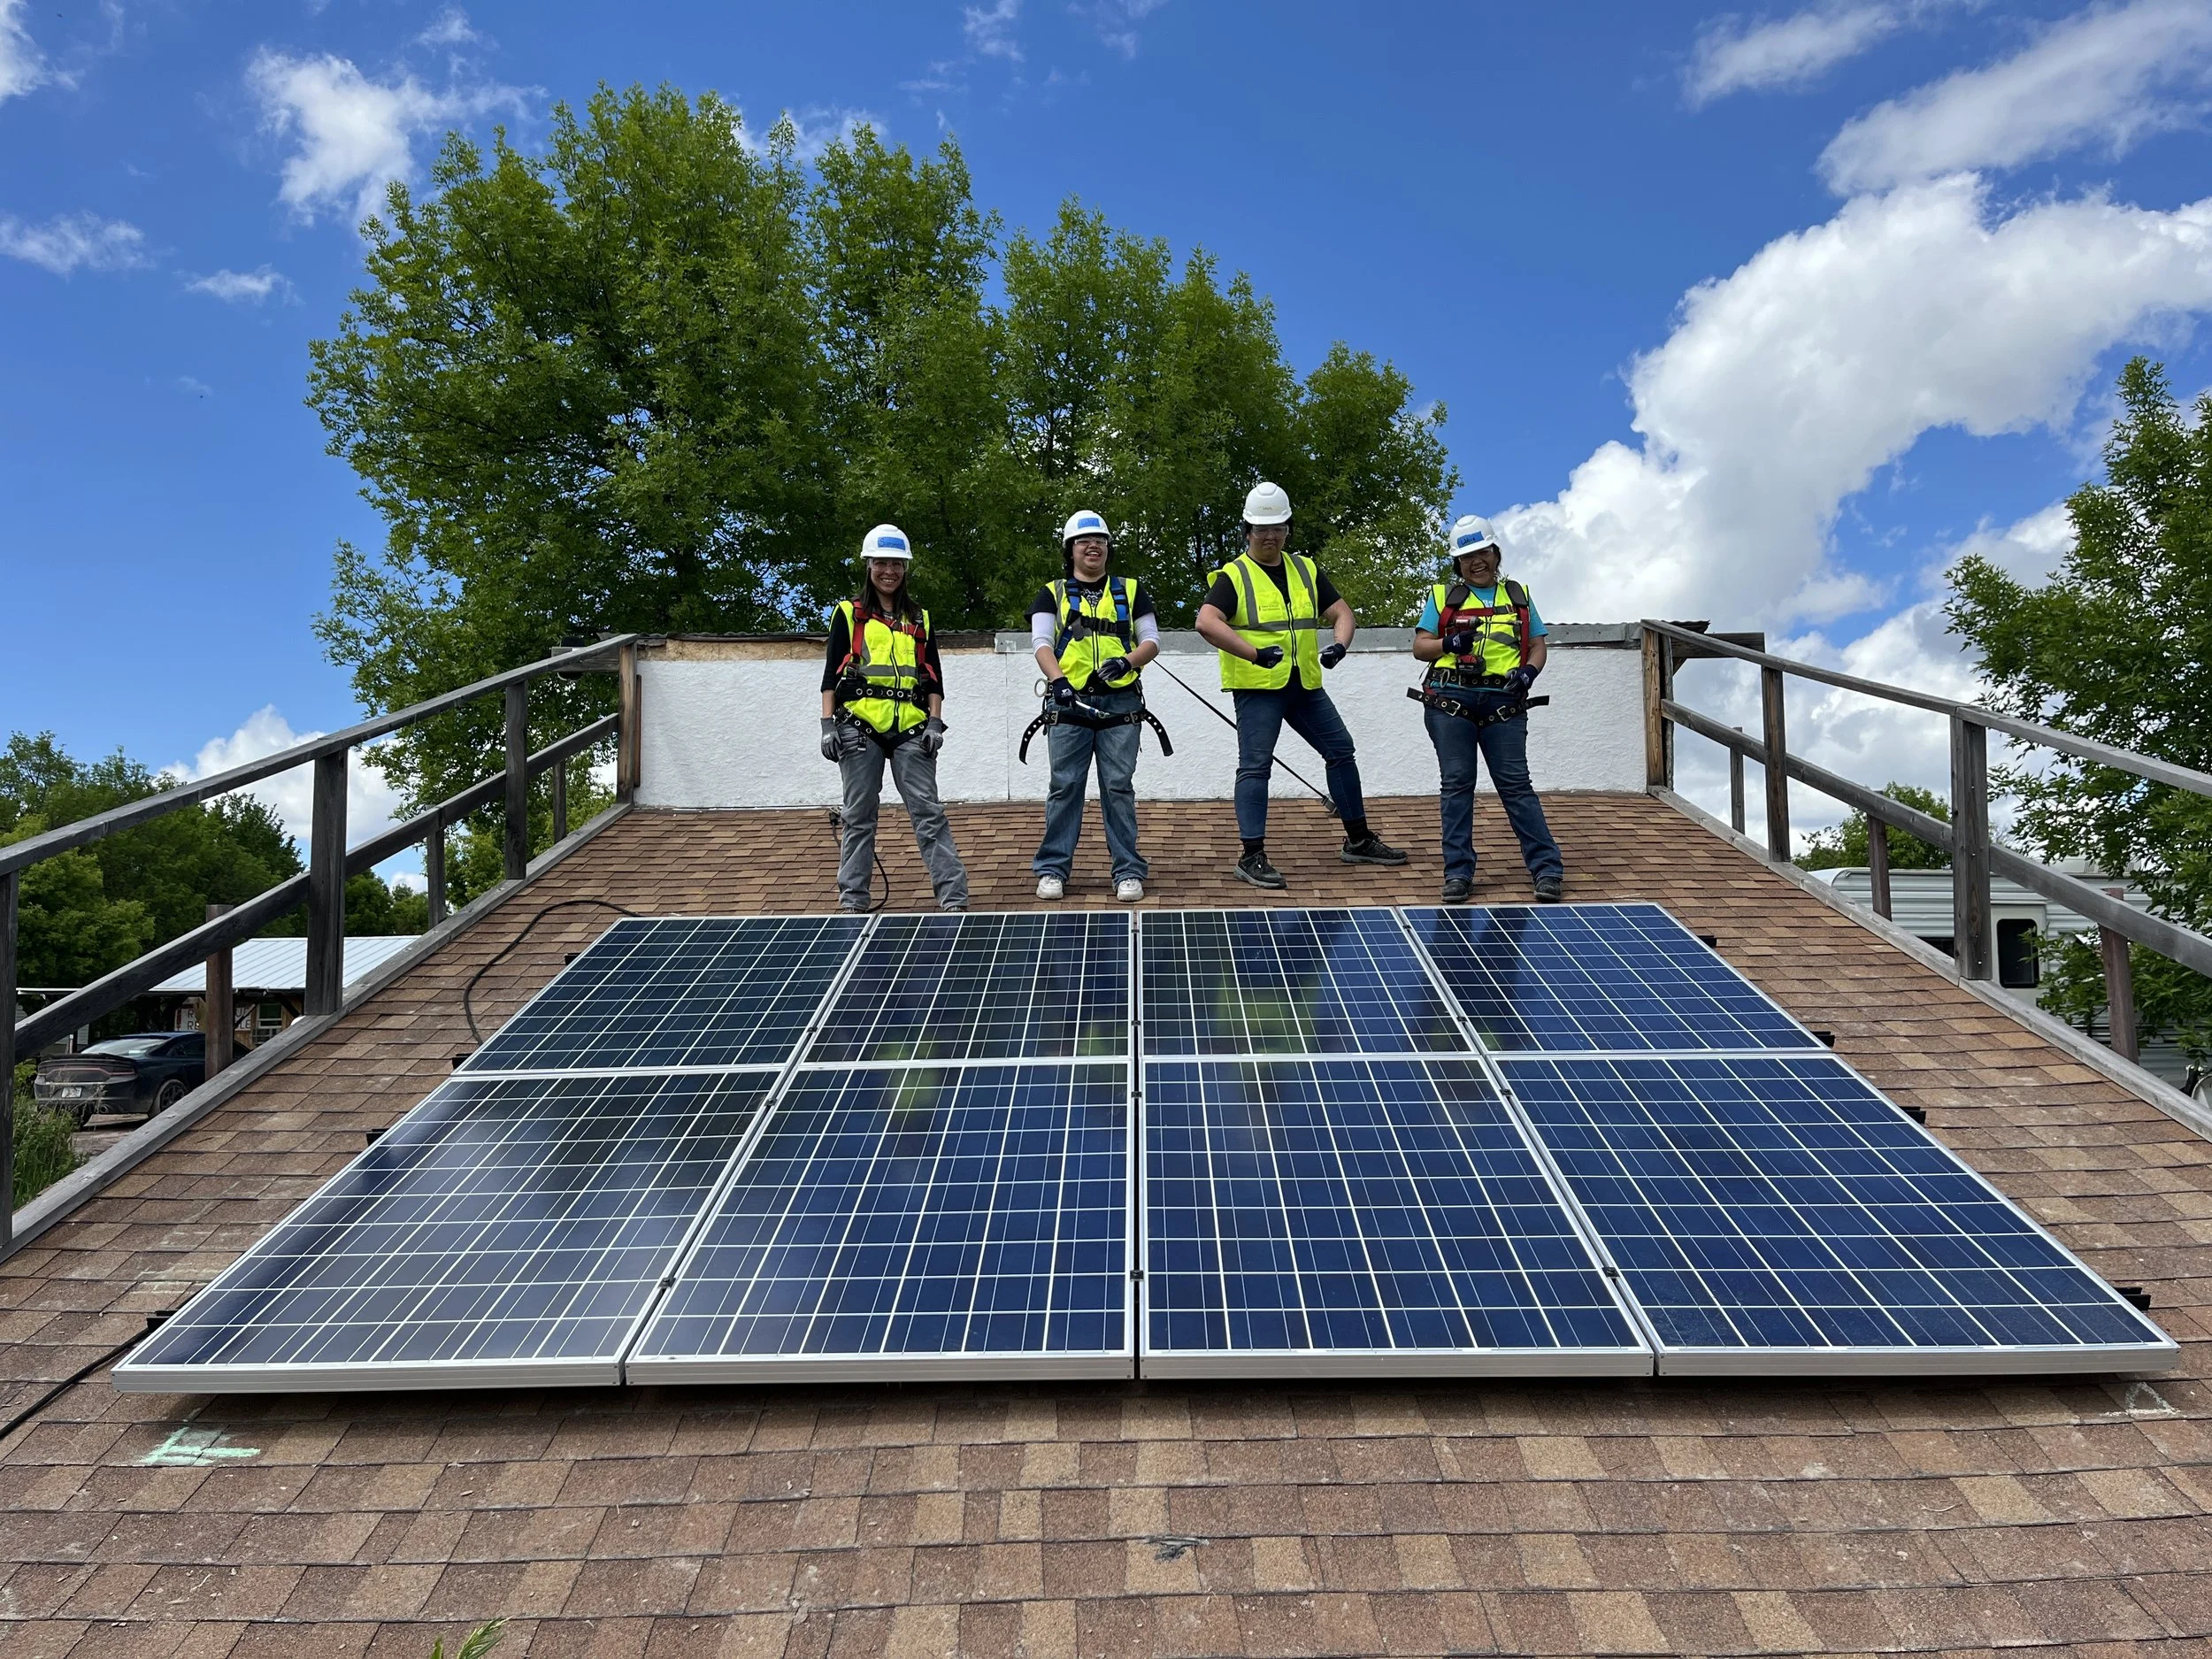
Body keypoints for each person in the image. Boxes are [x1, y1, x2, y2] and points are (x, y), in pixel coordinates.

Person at [1193, 481, 1407, 889]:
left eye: (1278, 527)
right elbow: (1206, 622)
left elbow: (1342, 613)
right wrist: (1254, 654)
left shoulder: (1305, 569)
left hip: (1304, 683)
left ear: (1288, 529)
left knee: (1341, 750)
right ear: (1247, 531)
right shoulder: (1234, 575)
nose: (1270, 536)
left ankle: (1358, 841)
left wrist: (1340, 646)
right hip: (1258, 687)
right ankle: (1251, 856)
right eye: (1261, 529)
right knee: (1255, 767)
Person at [1412, 514, 1564, 903]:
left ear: (1496, 553)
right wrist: (1450, 647)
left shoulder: (1518, 596)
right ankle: (1458, 874)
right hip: (1450, 699)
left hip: (1504, 701)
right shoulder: (1443, 598)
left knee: (1515, 786)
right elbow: (1420, 647)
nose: (1475, 561)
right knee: (1457, 785)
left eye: (1482, 553)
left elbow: (1537, 645)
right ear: (1457, 564)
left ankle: (1547, 870)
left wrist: (1529, 672)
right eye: (1466, 557)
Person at [819, 524, 970, 912]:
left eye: (897, 564)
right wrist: (826, 726)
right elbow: (830, 676)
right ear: (869, 566)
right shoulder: (849, 614)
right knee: (858, 815)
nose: (889, 571)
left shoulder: (919, 618)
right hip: (858, 727)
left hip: (912, 729)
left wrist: (935, 722)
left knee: (928, 812)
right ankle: (853, 901)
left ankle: (954, 899)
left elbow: (933, 676)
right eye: (882, 563)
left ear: (905, 569)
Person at [1030, 509, 1159, 903]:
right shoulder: (1051, 593)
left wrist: (1127, 661)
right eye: (1084, 541)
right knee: (1065, 785)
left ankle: (1128, 872)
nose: (1093, 546)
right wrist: (1059, 682)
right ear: (1070, 550)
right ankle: (1053, 869)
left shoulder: (1132, 591)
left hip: (1120, 701)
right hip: (1068, 701)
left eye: (1100, 541)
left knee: (1118, 786)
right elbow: (1041, 644)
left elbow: (1151, 640)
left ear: (1107, 548)